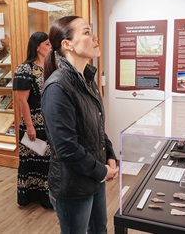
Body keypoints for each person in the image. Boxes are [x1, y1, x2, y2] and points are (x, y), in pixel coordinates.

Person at [41, 16, 119, 234]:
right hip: (73, 185)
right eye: (86, 32)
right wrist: (101, 171)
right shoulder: (57, 87)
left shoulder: (86, 79)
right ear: (67, 44)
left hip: (94, 176)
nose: (94, 37)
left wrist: (109, 154)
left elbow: (96, 125)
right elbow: (66, 147)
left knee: (99, 229)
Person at [12, 32, 52, 208]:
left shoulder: (51, 67)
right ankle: (30, 197)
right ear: (37, 46)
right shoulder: (25, 70)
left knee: (48, 161)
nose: (50, 48)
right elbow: (22, 100)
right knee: (32, 161)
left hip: (50, 121)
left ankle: (48, 198)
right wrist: (30, 126)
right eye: (47, 45)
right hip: (34, 123)